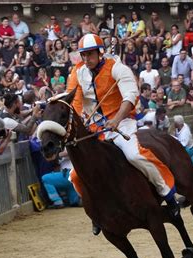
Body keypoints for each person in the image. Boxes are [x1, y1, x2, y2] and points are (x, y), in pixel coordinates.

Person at [66, 34, 180, 227]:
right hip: (94, 129)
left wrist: (116, 120)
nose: (86, 59)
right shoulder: (77, 73)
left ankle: (168, 194)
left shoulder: (118, 68)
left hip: (122, 124)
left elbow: (130, 97)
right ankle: (96, 208)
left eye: (90, 54)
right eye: (83, 55)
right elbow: (74, 103)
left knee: (135, 156)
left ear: (100, 52)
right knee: (75, 175)